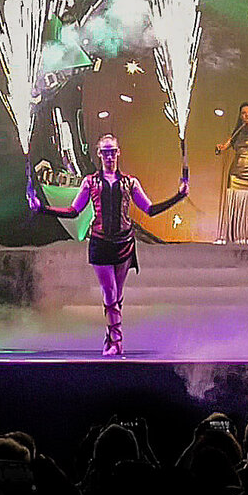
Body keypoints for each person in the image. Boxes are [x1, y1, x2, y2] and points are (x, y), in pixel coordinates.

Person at [29, 135, 187, 357]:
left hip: (124, 242)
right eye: (105, 152)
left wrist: (178, 197)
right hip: (100, 242)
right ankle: (117, 340)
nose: (109, 156)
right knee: (110, 292)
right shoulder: (90, 182)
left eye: (112, 151)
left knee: (117, 296)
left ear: (118, 152)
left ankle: (110, 338)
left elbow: (149, 209)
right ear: (99, 154)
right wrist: (42, 208)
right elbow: (74, 211)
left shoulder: (130, 182)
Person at [215, 102, 248, 244]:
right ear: (240, 115)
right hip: (235, 172)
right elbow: (227, 145)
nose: (246, 115)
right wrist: (220, 148)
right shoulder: (238, 130)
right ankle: (234, 236)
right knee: (234, 205)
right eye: (243, 113)